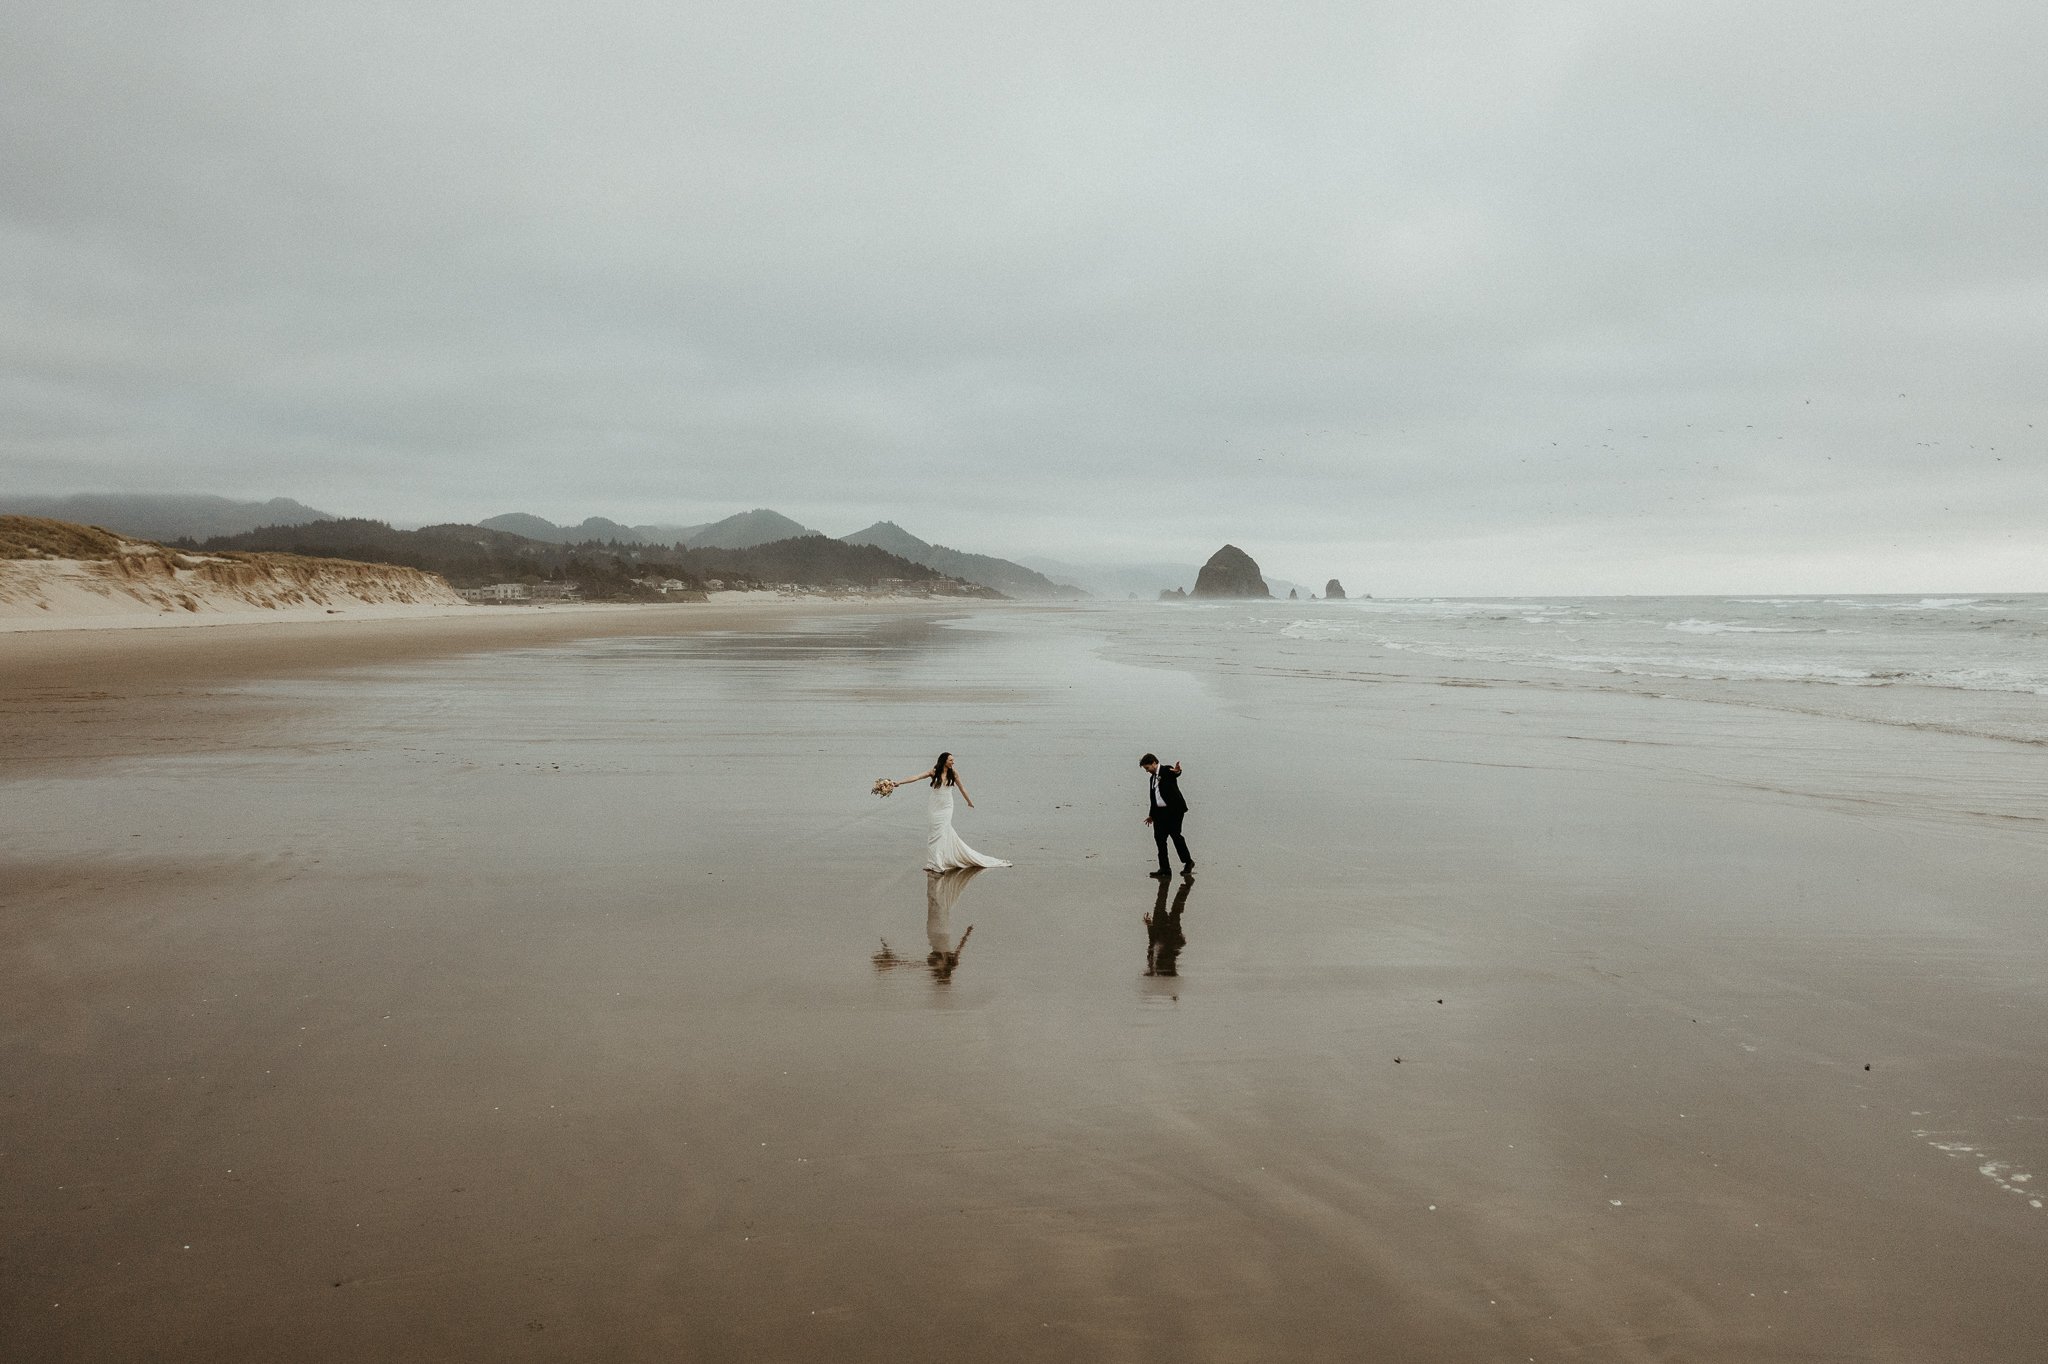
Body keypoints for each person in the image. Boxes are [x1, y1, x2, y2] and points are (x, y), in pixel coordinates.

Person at [892, 751, 1011, 872]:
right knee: (934, 833)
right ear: (944, 761)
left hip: (947, 806)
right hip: (934, 805)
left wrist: (969, 801)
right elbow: (916, 777)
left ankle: (938, 863)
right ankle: (932, 862)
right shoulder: (933, 771)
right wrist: (899, 782)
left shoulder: (953, 773)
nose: (953, 762)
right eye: (951, 760)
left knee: (941, 832)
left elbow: (961, 787)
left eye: (953, 760)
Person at [1139, 752, 1193, 878]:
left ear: (1154, 763)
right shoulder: (1152, 779)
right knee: (1159, 839)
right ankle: (1164, 868)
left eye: (1147, 768)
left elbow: (1174, 773)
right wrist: (1151, 815)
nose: (1147, 771)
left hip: (1174, 811)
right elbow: (1154, 798)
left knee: (1176, 836)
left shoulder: (1165, 770)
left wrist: (1177, 771)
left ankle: (1188, 862)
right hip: (1159, 814)